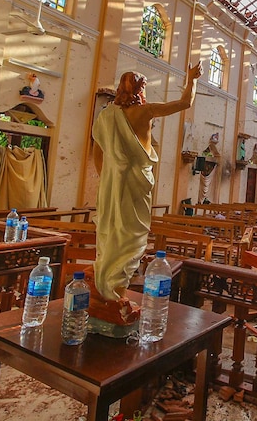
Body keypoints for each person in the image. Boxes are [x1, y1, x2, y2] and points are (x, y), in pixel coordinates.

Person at [90, 61, 203, 324]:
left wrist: (110, 178)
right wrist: (192, 79)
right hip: (138, 180)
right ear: (140, 90)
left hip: (114, 181)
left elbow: (98, 153)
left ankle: (108, 285)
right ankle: (115, 291)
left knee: (113, 229)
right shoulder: (146, 110)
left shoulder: (106, 116)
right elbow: (185, 103)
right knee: (134, 233)